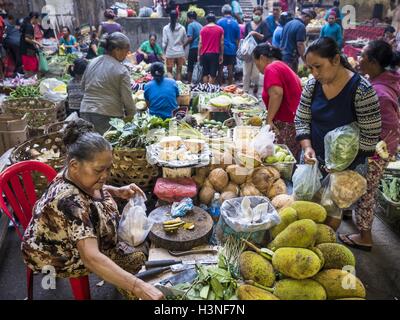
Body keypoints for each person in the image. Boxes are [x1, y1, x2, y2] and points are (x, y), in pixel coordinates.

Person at [21, 119, 164, 300]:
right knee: (137, 259)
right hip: (53, 254)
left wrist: (116, 191)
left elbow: (91, 188)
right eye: (99, 170)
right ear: (74, 165)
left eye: (108, 168)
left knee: (139, 249)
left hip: (68, 236)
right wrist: (138, 287)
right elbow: (91, 257)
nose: (105, 176)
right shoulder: (69, 202)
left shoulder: (77, 173)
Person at [295, 37, 382, 246]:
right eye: (310, 67)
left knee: (329, 218)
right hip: (313, 160)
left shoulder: (362, 90)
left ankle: (319, 251)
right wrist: (306, 147)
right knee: (305, 211)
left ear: (335, 60)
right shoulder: (312, 85)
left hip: (345, 170)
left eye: (318, 66)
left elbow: (371, 136)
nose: (314, 73)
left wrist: (341, 165)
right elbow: (302, 118)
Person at [80, 32, 136, 135]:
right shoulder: (122, 70)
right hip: (107, 114)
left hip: (85, 111)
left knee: (90, 146)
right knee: (106, 147)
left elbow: (82, 86)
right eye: (126, 51)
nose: (126, 55)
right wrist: (133, 117)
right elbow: (127, 100)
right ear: (117, 50)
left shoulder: (92, 62)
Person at [253, 43, 302, 158]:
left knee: (283, 158)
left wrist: (269, 120)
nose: (257, 67)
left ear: (262, 58)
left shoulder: (271, 68)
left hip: (287, 123)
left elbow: (276, 93)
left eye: (256, 64)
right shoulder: (280, 65)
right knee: (287, 156)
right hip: (293, 121)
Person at [358, 40, 400, 157]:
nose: (358, 59)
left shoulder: (378, 93)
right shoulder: (381, 79)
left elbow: (391, 131)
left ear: (373, 63)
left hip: (378, 154)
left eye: (362, 56)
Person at [243, 6, 270, 95]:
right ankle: (245, 91)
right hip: (248, 52)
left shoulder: (264, 24)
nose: (257, 15)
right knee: (246, 72)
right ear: (253, 13)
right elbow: (244, 37)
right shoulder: (248, 25)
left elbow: (264, 37)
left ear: (261, 14)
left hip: (259, 52)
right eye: (256, 14)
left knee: (255, 73)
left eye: (259, 14)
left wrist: (255, 33)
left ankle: (255, 84)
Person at [280, 9, 316, 73]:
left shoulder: (288, 23)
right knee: (291, 80)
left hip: (282, 56)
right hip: (290, 59)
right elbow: (300, 45)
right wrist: (305, 60)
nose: (308, 23)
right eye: (309, 20)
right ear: (306, 17)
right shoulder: (301, 26)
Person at [198, 12, 224, 84]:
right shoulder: (220, 29)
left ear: (207, 20)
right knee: (212, 74)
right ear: (215, 20)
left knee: (205, 73)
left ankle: (205, 91)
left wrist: (199, 55)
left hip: (204, 54)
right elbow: (221, 43)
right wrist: (221, 55)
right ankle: (210, 92)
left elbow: (200, 43)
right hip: (214, 54)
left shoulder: (203, 29)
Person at [217, 4, 240, 85]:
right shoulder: (235, 23)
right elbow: (238, 39)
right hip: (232, 49)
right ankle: (230, 87)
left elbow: (217, 37)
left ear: (223, 12)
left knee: (220, 68)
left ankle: (220, 87)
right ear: (231, 12)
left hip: (222, 49)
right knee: (230, 69)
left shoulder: (219, 22)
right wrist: (237, 49)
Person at [162, 10, 186, 81]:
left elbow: (165, 42)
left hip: (170, 53)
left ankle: (172, 86)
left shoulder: (166, 28)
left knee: (169, 72)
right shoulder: (182, 28)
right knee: (179, 72)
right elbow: (184, 40)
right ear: (178, 17)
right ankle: (179, 88)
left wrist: (164, 51)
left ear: (169, 17)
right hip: (180, 53)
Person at [184, 11, 202, 83]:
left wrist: (184, 45)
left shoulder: (190, 25)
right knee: (199, 66)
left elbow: (190, 38)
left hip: (193, 48)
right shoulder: (200, 25)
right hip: (200, 49)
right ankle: (198, 82)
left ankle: (189, 83)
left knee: (190, 67)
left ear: (189, 18)